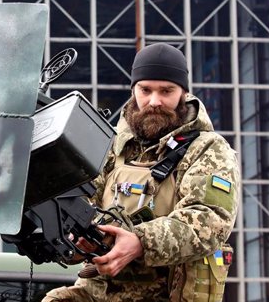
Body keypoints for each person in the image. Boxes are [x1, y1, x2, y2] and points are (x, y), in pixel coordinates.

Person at [43, 43, 240, 302]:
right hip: (100, 292)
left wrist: (139, 242)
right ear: (134, 90)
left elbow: (208, 222)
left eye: (166, 91)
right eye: (145, 90)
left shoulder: (208, 149)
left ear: (183, 93)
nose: (154, 101)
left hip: (169, 294)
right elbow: (83, 203)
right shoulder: (111, 146)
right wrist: (77, 240)